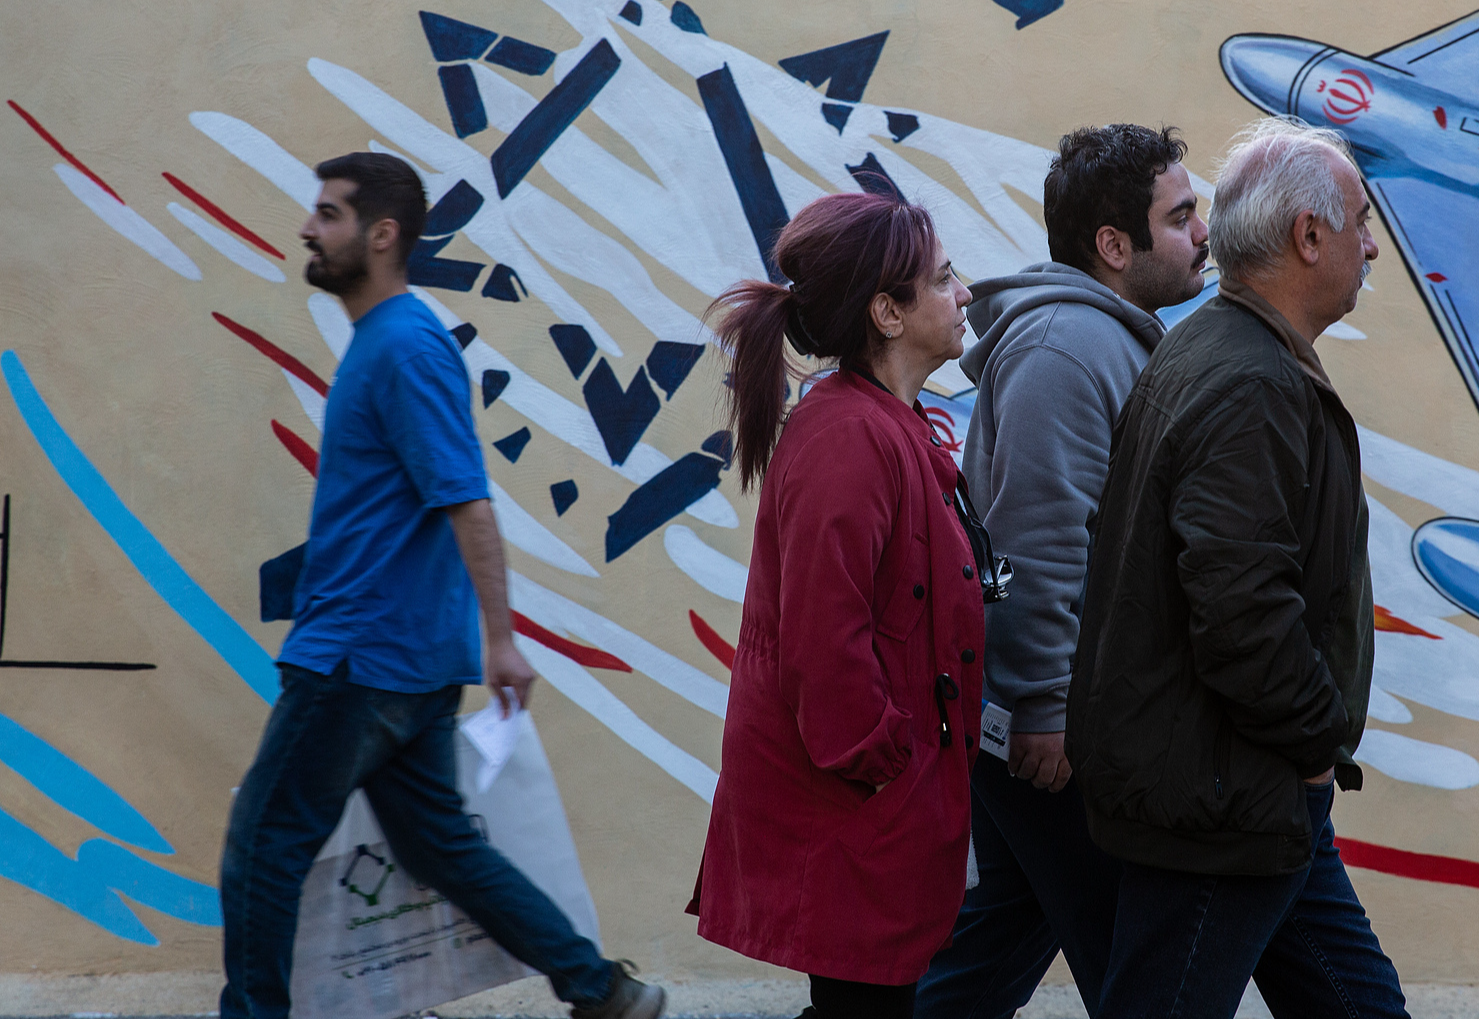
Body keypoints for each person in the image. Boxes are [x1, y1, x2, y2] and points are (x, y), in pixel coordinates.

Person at [218, 153, 663, 1019]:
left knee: (264, 847)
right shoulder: (386, 343)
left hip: (357, 657)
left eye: (329, 214)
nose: (308, 229)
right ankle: (601, 989)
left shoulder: (405, 347)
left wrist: (501, 639)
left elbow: (467, 503)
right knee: (441, 849)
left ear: (382, 235)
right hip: (403, 659)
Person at [1067, 117, 1409, 1018]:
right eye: (1360, 221)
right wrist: (1311, 742)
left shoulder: (1225, 350)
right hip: (1225, 798)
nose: (1371, 246)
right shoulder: (1250, 381)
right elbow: (1239, 602)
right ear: (1308, 236)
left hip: (1249, 790)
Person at [914, 124, 1208, 1018]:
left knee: (1001, 934)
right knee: (1143, 968)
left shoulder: (1106, 339)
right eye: (1182, 216)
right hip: (1054, 734)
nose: (1204, 233)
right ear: (1113, 246)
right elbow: (1032, 544)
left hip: (1047, 720)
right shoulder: (1066, 351)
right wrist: (1040, 704)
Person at [689, 192, 986, 1019]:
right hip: (860, 805)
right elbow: (826, 645)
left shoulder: (891, 423)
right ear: (887, 312)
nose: (964, 294)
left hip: (885, 803)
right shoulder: (849, 436)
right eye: (944, 278)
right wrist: (891, 765)